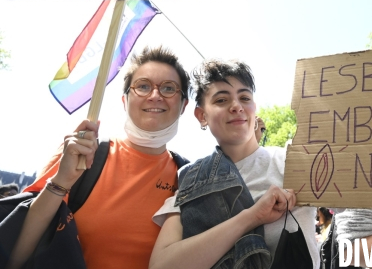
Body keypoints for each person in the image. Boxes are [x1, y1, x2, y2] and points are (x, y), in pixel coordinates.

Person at [6, 46, 190, 269]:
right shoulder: (79, 154)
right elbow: (14, 257)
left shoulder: (192, 181)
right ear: (125, 100)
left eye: (169, 88)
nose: (155, 96)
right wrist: (62, 181)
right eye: (143, 86)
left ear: (183, 105)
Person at [150, 59, 319, 269]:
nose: (237, 106)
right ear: (202, 116)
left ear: (254, 108)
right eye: (221, 100)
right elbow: (162, 265)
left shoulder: (293, 160)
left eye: (245, 97)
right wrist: (252, 217)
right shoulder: (190, 180)